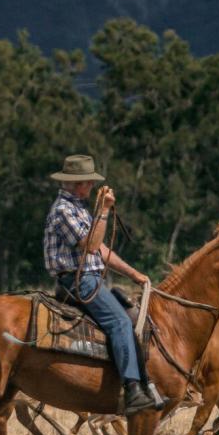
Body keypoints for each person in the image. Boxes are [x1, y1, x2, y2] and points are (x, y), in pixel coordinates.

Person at [43, 154, 157, 415]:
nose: (92, 188)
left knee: (131, 315)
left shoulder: (80, 207)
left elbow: (101, 251)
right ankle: (132, 389)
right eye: (89, 183)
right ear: (79, 183)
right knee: (120, 322)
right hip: (78, 281)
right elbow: (92, 245)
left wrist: (133, 274)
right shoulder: (63, 210)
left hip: (90, 279)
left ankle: (144, 382)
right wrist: (104, 211)